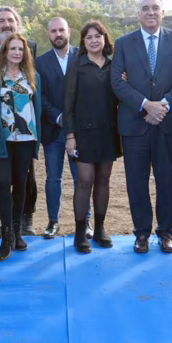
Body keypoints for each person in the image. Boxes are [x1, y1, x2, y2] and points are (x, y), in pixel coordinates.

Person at [111, 0, 172, 254]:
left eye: (155, 8)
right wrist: (146, 104)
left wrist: (163, 105)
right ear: (138, 14)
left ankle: (166, 233)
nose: (150, 12)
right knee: (137, 182)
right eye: (145, 8)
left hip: (167, 124)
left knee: (167, 181)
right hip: (135, 124)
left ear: (163, 12)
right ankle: (142, 233)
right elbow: (117, 82)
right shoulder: (123, 43)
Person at [0, 7, 39, 237]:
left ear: (17, 23)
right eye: (1, 20)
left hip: (24, 132)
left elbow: (33, 88)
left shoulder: (29, 46)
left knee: (25, 176)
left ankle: (24, 218)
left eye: (10, 20)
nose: (6, 24)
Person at [64, 21, 121, 253]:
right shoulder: (77, 65)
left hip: (108, 131)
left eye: (98, 36)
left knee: (104, 181)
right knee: (85, 180)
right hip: (83, 132)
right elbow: (68, 104)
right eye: (89, 37)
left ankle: (99, 229)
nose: (94, 40)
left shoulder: (114, 66)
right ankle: (80, 233)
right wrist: (70, 136)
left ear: (105, 39)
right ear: (83, 42)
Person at [35, 17, 81, 239]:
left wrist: (72, 119)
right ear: (48, 34)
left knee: (81, 178)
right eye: (53, 31)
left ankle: (85, 221)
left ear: (69, 31)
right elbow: (39, 96)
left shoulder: (82, 56)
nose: (58, 34)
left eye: (61, 30)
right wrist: (58, 116)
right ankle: (53, 221)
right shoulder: (40, 62)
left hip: (79, 132)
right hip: (53, 131)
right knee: (53, 179)